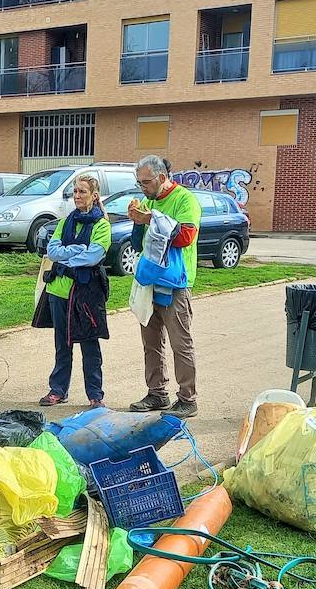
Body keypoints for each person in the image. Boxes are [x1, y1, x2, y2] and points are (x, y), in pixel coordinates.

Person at [127, 155, 200, 419]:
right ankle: (157, 393)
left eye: (146, 182)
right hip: (151, 282)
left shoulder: (184, 199)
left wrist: (149, 220)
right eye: (139, 183)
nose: (142, 188)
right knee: (151, 342)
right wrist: (137, 221)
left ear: (161, 178)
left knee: (181, 344)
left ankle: (187, 398)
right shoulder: (148, 202)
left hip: (176, 283)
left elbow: (186, 236)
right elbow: (138, 245)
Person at [36, 172, 111, 408]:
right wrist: (77, 249)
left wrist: (70, 254)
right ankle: (58, 390)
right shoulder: (65, 222)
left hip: (86, 294)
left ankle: (95, 395)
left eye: (82, 192)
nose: (77, 196)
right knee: (62, 344)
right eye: (75, 192)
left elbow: (94, 256)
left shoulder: (102, 225)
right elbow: (53, 251)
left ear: (94, 195)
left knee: (90, 345)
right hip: (59, 291)